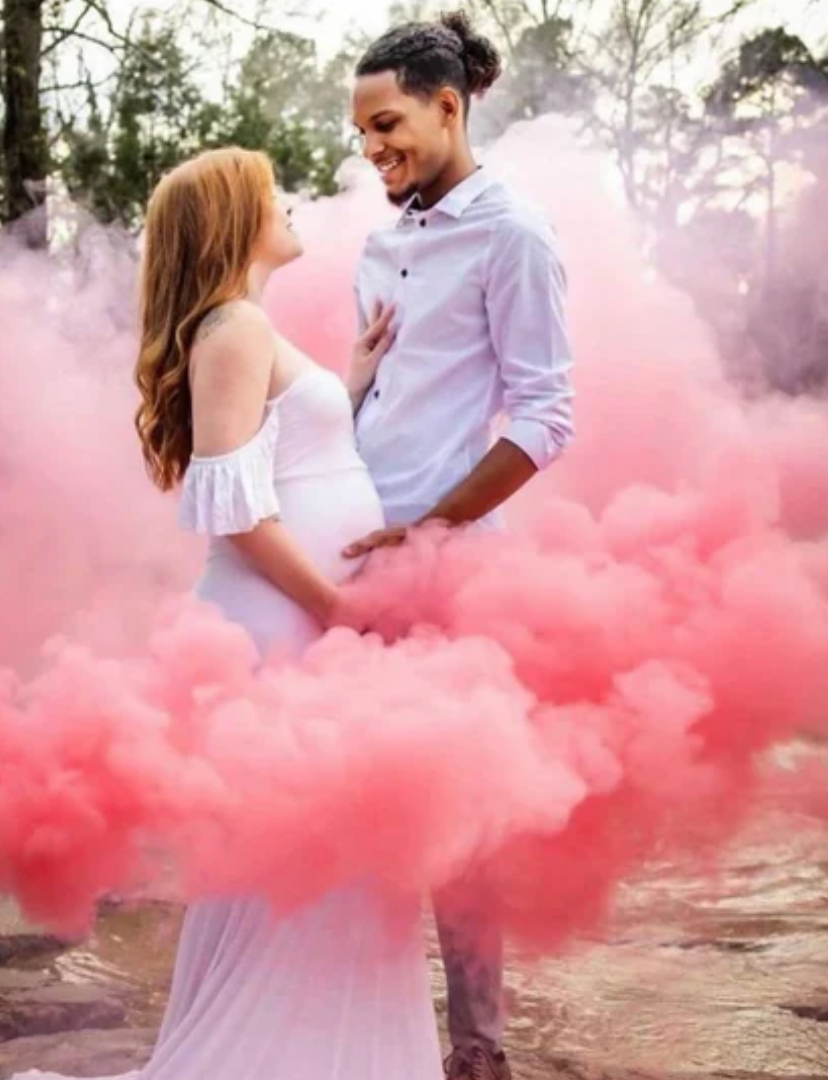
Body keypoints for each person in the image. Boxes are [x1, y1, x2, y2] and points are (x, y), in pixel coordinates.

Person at [10, 148, 441, 1080]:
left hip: (303, 618)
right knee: (311, 856)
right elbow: (236, 507)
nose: (287, 203)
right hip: (289, 620)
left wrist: (351, 381)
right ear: (233, 222)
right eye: (269, 192)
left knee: (341, 858)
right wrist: (337, 608)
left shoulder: (246, 330)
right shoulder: (235, 328)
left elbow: (288, 454)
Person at [346, 11, 576, 1080]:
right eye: (361, 132)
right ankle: (360, 1043)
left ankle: (478, 1058)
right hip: (347, 561)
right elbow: (377, 404)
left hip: (447, 570)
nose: (372, 148)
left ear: (451, 105)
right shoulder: (382, 240)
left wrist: (426, 526)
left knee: (455, 824)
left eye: (387, 125)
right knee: (348, 809)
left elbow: (544, 418)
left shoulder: (514, 232)